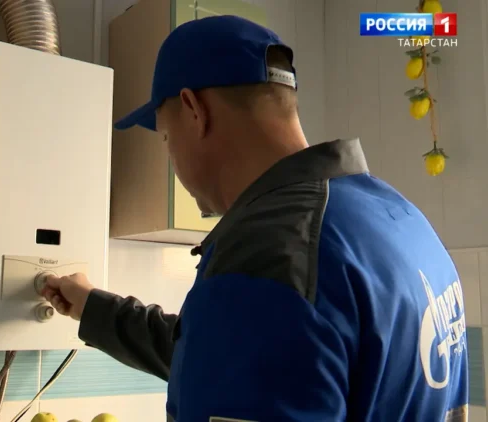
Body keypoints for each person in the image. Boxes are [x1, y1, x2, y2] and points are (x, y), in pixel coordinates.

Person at [42, 15, 468, 422]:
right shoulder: (398, 220)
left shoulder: (269, 252)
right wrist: (93, 308)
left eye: (166, 137)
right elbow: (241, 359)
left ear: (194, 110)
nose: (171, 159)